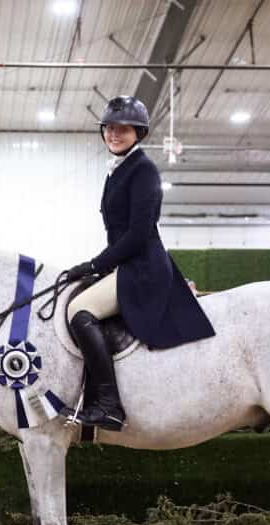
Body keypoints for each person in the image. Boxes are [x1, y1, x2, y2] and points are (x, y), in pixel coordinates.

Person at [60, 95, 216, 431]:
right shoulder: (120, 170)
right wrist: (98, 267)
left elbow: (138, 234)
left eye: (123, 129)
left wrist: (93, 265)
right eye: (110, 128)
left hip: (143, 267)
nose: (114, 134)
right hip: (128, 263)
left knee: (79, 312)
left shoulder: (143, 170)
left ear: (139, 132)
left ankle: (108, 405)